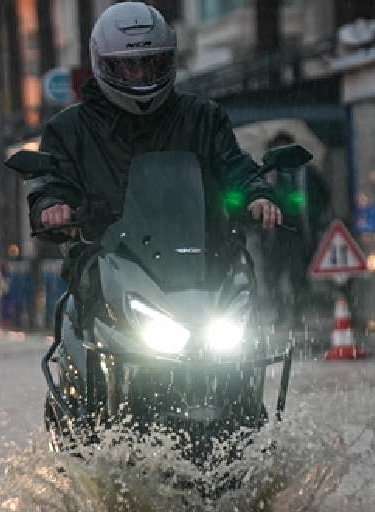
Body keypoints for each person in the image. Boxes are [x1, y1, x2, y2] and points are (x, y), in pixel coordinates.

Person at [27, 2, 281, 308]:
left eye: (150, 63)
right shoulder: (69, 128)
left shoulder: (201, 116)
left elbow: (232, 164)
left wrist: (256, 194)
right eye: (127, 66)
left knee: (248, 331)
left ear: (168, 60)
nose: (139, 75)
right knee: (79, 323)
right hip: (107, 272)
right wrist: (53, 205)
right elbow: (51, 179)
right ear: (103, 64)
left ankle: (263, 350)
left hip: (204, 265)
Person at [260, 132, 331, 327]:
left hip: (300, 233)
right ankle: (280, 313)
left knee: (298, 276)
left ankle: (297, 313)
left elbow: (322, 198)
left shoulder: (308, 174)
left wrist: (312, 214)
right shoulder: (264, 176)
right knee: (272, 277)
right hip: (273, 235)